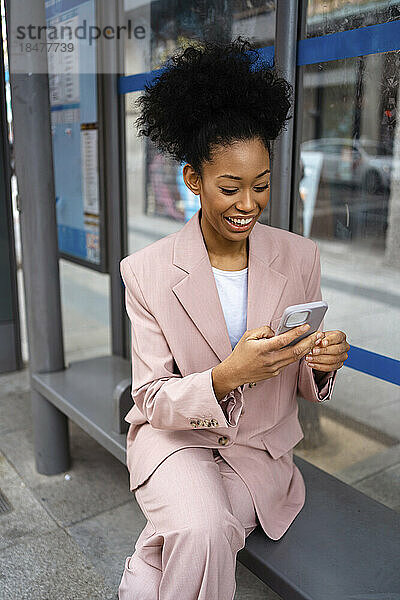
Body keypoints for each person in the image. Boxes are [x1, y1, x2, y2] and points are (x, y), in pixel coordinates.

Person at [118, 36, 350, 600]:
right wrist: (227, 377)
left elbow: (298, 375)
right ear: (193, 179)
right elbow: (149, 397)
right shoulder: (146, 271)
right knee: (202, 526)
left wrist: (319, 364)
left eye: (263, 185)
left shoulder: (299, 256)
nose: (249, 203)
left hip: (259, 451)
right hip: (177, 441)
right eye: (230, 187)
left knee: (193, 535)